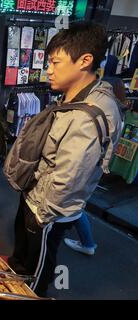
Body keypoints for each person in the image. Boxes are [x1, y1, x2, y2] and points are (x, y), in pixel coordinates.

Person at [7, 22, 122, 296]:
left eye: (55, 62)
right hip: (35, 196)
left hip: (47, 210)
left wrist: (41, 217)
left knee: (39, 267)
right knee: (24, 257)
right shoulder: (73, 98)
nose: (49, 69)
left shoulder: (87, 116)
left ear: (85, 61)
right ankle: (15, 276)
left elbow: (68, 180)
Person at [63, 65, 127, 256]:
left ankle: (88, 243)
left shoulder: (108, 112)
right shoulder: (117, 111)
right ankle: (85, 241)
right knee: (77, 204)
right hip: (96, 165)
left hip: (91, 166)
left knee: (76, 206)